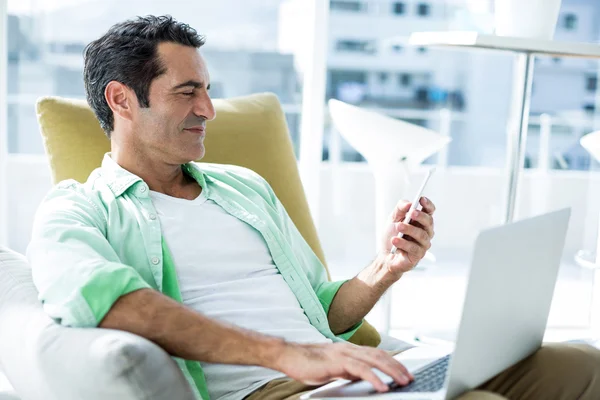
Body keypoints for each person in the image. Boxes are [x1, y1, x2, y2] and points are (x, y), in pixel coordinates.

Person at [28, 15, 600, 400]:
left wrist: (386, 267)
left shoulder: (242, 187)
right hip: (274, 389)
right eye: (186, 92)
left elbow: (323, 312)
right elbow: (109, 305)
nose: (209, 108)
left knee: (584, 364)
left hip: (338, 368)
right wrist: (287, 356)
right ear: (121, 100)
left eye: (207, 88)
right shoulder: (77, 211)